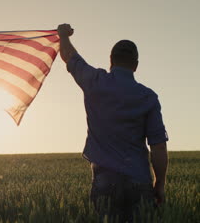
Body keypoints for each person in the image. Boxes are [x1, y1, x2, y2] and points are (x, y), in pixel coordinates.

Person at [57, 24, 168, 222]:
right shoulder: (148, 97)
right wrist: (159, 185)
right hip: (139, 181)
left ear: (111, 61)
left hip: (104, 182)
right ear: (135, 65)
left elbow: (69, 56)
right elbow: (158, 146)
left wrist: (63, 35)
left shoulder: (95, 81)